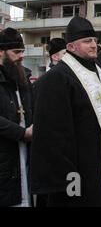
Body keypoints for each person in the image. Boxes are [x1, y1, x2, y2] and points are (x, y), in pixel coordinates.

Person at [30, 17, 101, 207]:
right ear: (71, 46)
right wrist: (71, 189)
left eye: (95, 40)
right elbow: (54, 143)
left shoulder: (99, 73)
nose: (94, 45)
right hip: (80, 180)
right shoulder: (57, 79)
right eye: (87, 41)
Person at [0, 28, 33, 207]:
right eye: (16, 52)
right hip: (6, 157)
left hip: (26, 154)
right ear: (1, 52)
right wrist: (22, 133)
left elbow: (33, 107)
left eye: (22, 51)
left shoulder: (23, 77)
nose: (21, 56)